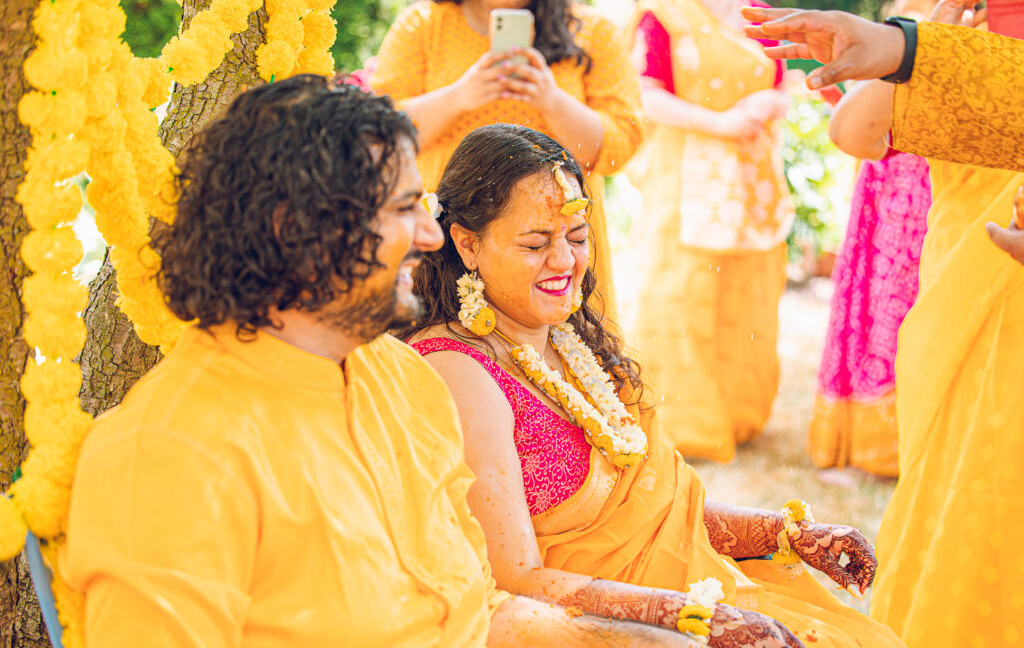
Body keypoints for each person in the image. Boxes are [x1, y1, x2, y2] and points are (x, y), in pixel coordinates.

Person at [59, 76, 702, 647]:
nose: (430, 235)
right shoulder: (172, 454)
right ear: (297, 229)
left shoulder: (402, 379)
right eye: (401, 209)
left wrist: (642, 641)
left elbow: (484, 609)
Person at [404, 123, 906, 648]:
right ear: (466, 244)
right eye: (535, 244)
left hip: (690, 598)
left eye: (577, 238)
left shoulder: (566, 338)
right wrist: (686, 617)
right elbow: (516, 580)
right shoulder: (459, 371)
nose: (565, 262)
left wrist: (788, 534)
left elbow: (663, 515)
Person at [745, 0, 1024, 646]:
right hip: (962, 291)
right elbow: (855, 129)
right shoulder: (971, 50)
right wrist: (913, 45)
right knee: (960, 498)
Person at [369, 0, 642, 319]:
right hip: (451, 240)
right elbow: (381, 136)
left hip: (558, 250)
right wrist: (459, 97)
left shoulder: (593, 32)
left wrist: (551, 99)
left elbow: (621, 144)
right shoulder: (423, 26)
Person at [619, 0, 793, 462]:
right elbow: (645, 95)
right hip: (687, 175)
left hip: (751, 178)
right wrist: (720, 122)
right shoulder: (664, 16)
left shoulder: (759, 16)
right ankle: (684, 421)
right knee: (684, 290)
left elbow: (783, 85)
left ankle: (740, 413)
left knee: (750, 290)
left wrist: (769, 104)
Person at [808, 0, 967, 478]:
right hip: (889, 178)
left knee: (894, 300)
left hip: (910, 186)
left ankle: (892, 443)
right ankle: (883, 440)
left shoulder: (924, 37)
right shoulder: (912, 34)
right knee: (888, 298)